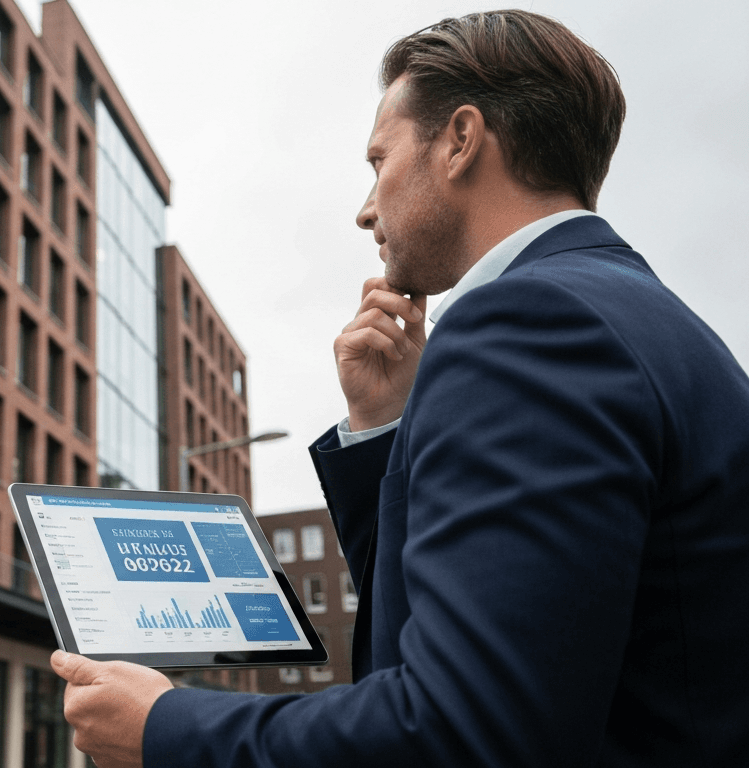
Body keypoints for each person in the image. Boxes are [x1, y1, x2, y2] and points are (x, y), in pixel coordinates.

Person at [51, 10, 749, 767]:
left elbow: (467, 733)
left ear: (459, 140)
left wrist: (167, 729)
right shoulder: (640, 315)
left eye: (377, 160)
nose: (365, 208)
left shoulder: (526, 321)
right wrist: (385, 422)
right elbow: (457, 649)